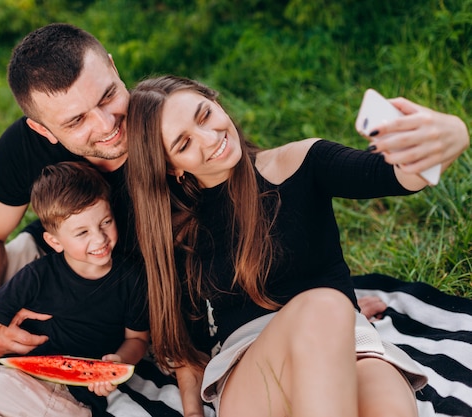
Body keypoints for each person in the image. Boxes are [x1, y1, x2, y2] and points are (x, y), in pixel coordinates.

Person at [0, 22, 383, 390]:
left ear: (116, 70)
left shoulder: (166, 125)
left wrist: (334, 299)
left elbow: (253, 204)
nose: (105, 126)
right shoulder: (23, 148)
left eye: (107, 97)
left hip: (128, 285)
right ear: (43, 129)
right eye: (76, 120)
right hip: (53, 257)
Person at [124, 75, 469, 417]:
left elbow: (393, 175)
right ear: (171, 168)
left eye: (204, 115)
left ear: (216, 102)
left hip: (351, 345)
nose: (209, 137)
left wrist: (454, 132)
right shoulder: (178, 230)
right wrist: (193, 412)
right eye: (183, 144)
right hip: (253, 368)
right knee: (325, 305)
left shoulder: (301, 162)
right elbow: (184, 346)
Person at [0, 161, 149, 417]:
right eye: (82, 232)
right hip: (16, 379)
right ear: (54, 241)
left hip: (78, 401)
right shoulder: (37, 276)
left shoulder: (132, 278)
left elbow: (137, 339)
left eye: (106, 222)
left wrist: (119, 362)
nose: (99, 239)